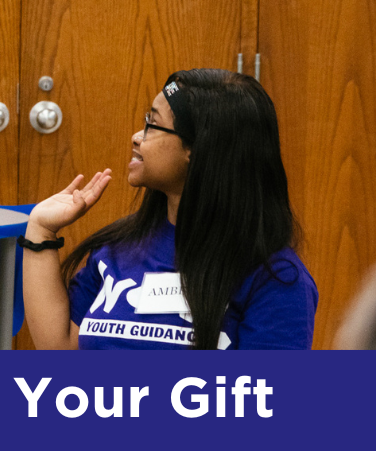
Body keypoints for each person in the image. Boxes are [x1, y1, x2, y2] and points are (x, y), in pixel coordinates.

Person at [22, 69, 318, 350]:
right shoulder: (118, 248)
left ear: (198, 149)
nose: (137, 137)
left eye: (152, 125)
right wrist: (41, 229)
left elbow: (265, 398)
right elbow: (60, 350)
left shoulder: (275, 279)